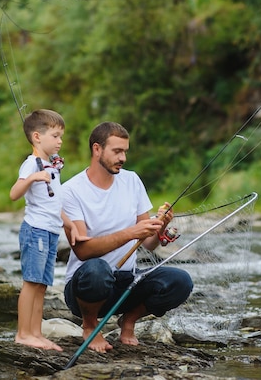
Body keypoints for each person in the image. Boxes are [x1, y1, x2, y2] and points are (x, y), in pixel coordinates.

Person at [62, 121, 193, 352]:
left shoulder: (131, 180)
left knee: (180, 281)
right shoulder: (71, 191)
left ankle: (128, 321)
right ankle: (90, 326)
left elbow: (150, 244)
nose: (123, 157)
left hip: (125, 283)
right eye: (117, 151)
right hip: (84, 287)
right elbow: (83, 251)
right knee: (97, 270)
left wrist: (160, 228)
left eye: (125, 151)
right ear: (97, 149)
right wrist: (130, 233)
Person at [10, 109, 87, 351]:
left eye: (60, 136)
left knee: (42, 285)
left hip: (51, 231)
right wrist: (33, 178)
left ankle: (36, 332)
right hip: (36, 230)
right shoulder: (31, 164)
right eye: (55, 135)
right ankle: (23, 333)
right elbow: (14, 194)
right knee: (31, 283)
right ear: (36, 137)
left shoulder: (50, 166)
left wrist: (69, 223)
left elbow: (55, 203)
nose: (60, 141)